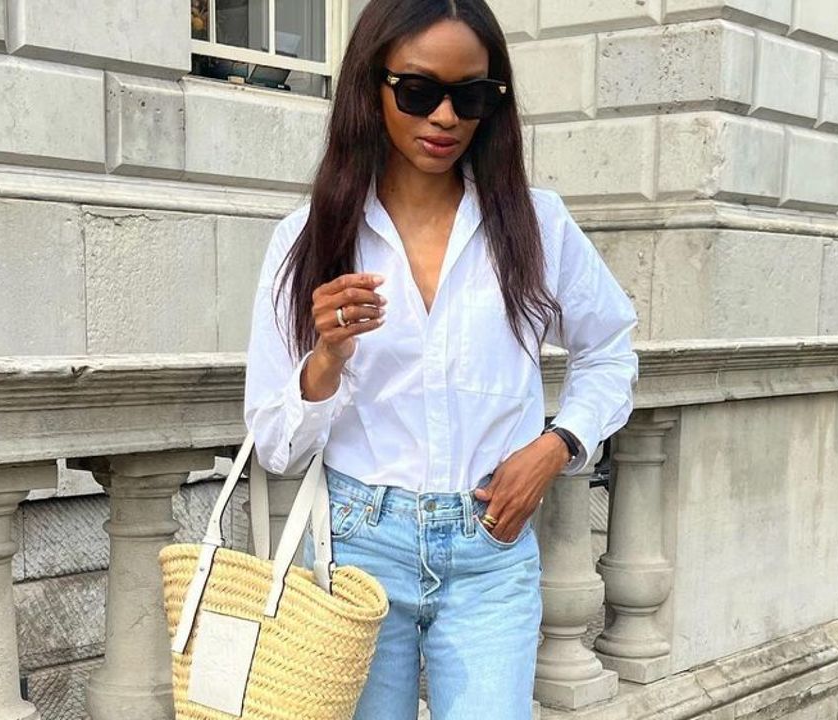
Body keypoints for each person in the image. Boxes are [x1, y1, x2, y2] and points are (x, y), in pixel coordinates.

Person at [243, 0, 639, 717]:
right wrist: (327, 358)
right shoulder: (309, 237)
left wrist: (559, 443)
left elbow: (610, 350)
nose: (448, 118)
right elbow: (275, 444)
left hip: (490, 542)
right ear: (373, 87)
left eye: (474, 95)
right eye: (421, 93)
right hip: (359, 548)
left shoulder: (535, 223)